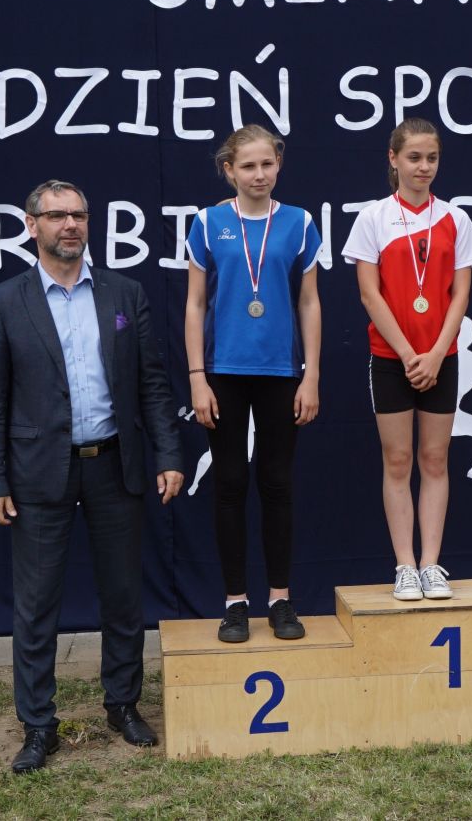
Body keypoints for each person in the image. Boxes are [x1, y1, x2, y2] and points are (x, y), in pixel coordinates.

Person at [0, 180, 184, 774]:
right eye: (57, 215)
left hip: (114, 465)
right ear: (31, 225)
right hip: (39, 472)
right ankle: (39, 725)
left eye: (79, 215)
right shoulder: (4, 301)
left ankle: (123, 705)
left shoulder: (124, 293)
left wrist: (169, 454)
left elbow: (151, 383)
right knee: (36, 605)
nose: (70, 225)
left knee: (122, 596)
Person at [185, 124, 322, 644]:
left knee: (277, 484)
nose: (258, 174)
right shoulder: (208, 222)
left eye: (267, 164)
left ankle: (280, 600)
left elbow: (309, 301)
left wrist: (311, 374)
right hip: (222, 371)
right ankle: (234, 603)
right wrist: (197, 378)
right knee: (229, 485)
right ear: (229, 170)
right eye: (247, 166)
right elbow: (195, 304)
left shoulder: (299, 222)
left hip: (281, 373)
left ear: (279, 164)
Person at [342, 118, 472, 601]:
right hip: (392, 358)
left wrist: (436, 352)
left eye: (431, 158)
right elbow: (369, 293)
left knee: (435, 458)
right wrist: (408, 354)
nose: (423, 167)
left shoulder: (456, 219)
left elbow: (460, 294)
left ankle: (431, 564)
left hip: (442, 357)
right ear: (393, 159)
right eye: (414, 158)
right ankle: (404, 564)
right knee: (399, 459)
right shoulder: (373, 218)